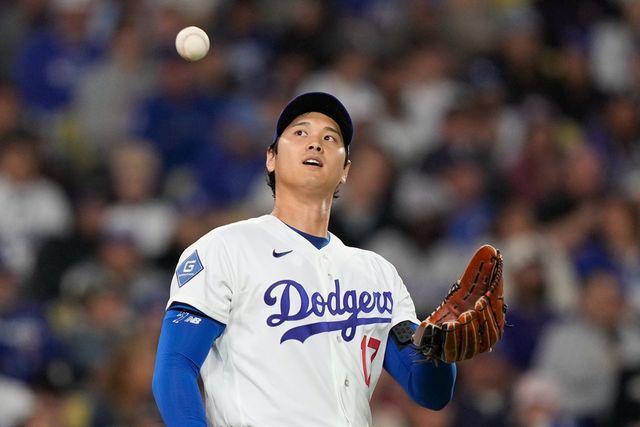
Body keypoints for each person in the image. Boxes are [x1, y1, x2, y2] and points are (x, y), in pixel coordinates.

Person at [152, 92, 457, 426]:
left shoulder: (378, 273)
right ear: (271, 158)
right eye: (300, 133)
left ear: (345, 170)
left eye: (330, 138)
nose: (315, 143)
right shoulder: (225, 248)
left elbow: (430, 392)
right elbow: (175, 367)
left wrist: (441, 345)